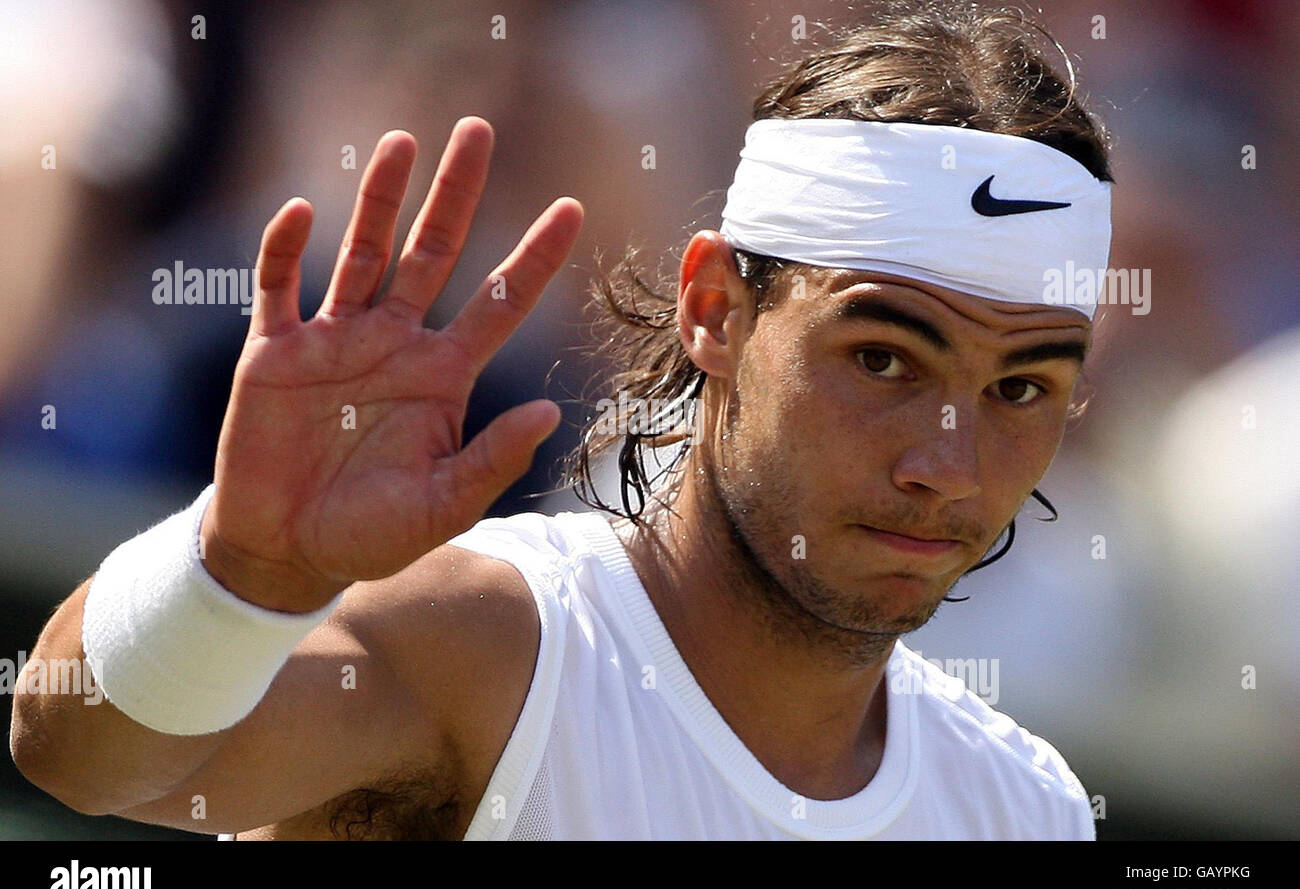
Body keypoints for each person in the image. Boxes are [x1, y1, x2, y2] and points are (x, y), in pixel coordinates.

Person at [11, 2, 1112, 839]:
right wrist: (236, 570)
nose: (946, 465)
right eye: (881, 358)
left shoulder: (1029, 806)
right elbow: (83, 754)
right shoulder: (488, 644)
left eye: (1021, 387)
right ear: (716, 311)